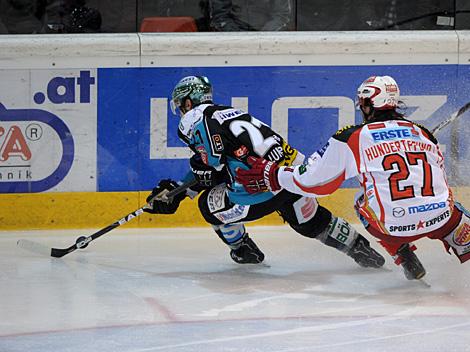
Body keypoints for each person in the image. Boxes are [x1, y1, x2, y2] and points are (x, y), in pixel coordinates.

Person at [236, 75, 470, 280]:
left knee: (362, 202)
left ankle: (402, 253)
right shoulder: (422, 132)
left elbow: (316, 183)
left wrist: (275, 175)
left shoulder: (351, 137)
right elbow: (438, 175)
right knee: (452, 210)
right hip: (440, 217)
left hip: (392, 227)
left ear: (369, 104)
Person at [144, 75, 385, 269]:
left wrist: (180, 192)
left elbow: (213, 165)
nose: (181, 111)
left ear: (188, 102)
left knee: (209, 205)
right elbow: (226, 159)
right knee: (309, 221)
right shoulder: (231, 113)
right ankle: (359, 248)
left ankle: (243, 249)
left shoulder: (193, 118)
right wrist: (180, 187)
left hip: (256, 190)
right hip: (291, 177)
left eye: (181, 106)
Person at [208, 0, 293, 31]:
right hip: (231, 43)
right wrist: (237, 36)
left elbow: (282, 16)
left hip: (269, 41)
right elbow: (219, 16)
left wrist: (264, 35)